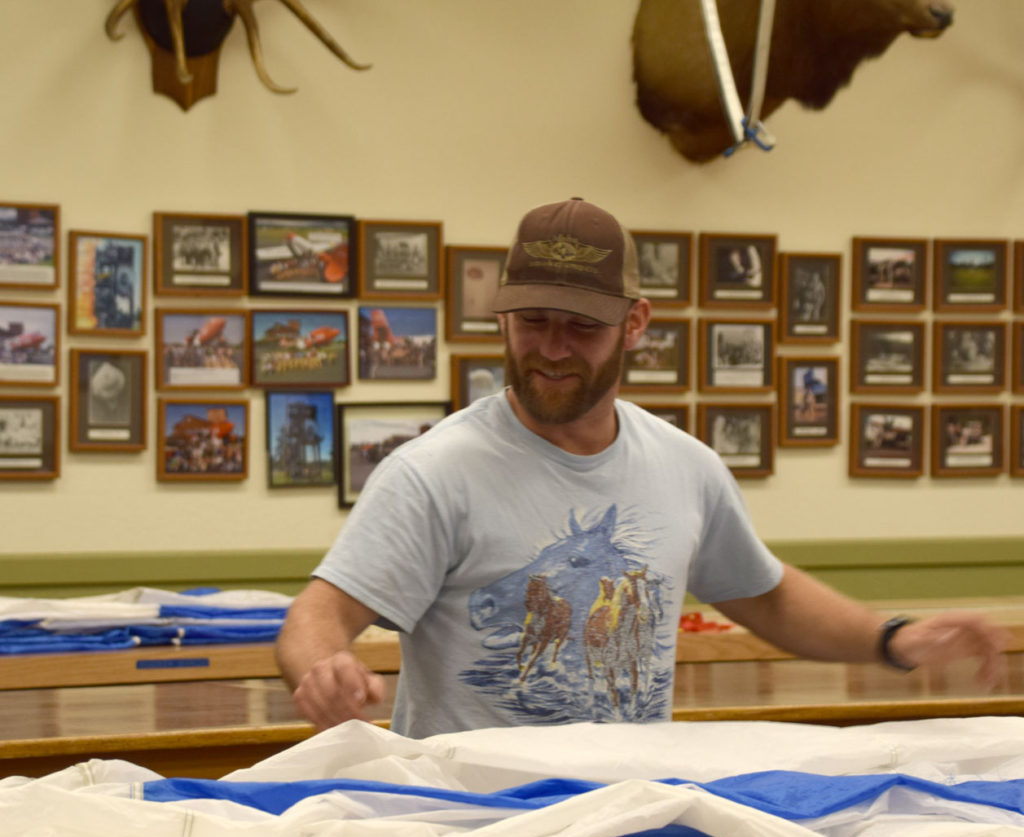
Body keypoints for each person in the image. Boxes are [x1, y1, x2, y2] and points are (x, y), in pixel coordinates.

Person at [275, 198, 1010, 738]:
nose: (552, 349)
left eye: (582, 327)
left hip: (629, 816)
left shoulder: (685, 467)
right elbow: (317, 617)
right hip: (468, 835)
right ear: (502, 317)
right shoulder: (433, 473)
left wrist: (890, 639)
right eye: (533, 322)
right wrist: (322, 667)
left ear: (635, 323)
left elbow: (768, 596)